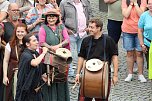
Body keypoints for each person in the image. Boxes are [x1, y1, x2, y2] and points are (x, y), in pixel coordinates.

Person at [75, 18, 118, 101]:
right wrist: (77, 73)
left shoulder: (108, 40)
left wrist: (115, 75)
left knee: (102, 98)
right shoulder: (86, 40)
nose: (89, 29)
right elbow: (81, 57)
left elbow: (114, 57)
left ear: (99, 28)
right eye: (89, 27)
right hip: (87, 74)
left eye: (92, 27)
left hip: (103, 75)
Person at [38, 10, 70, 101]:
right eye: (49, 17)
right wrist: (51, 48)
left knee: (60, 77)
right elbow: (41, 42)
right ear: (46, 19)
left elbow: (67, 40)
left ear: (56, 18)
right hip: (48, 58)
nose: (51, 19)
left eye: (53, 17)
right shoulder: (43, 28)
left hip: (60, 57)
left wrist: (58, 46)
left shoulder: (61, 27)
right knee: (50, 78)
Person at [60, 0, 92, 80]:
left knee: (83, 53)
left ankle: (82, 73)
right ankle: (71, 74)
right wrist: (65, 30)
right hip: (71, 33)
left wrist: (89, 27)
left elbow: (90, 15)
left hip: (83, 33)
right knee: (71, 54)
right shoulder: (64, 2)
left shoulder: (86, 2)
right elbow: (60, 19)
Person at [15, 33, 48, 101]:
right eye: (34, 41)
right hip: (26, 88)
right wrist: (44, 53)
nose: (37, 42)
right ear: (27, 44)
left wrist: (43, 75)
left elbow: (39, 66)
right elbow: (35, 63)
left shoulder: (35, 53)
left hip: (35, 88)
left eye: (36, 40)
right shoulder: (25, 55)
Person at [121, 0, 147, 82]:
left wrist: (135, 4)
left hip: (139, 30)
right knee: (129, 52)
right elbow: (125, 14)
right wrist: (130, 4)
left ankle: (140, 74)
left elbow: (141, 14)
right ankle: (130, 73)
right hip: (127, 30)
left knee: (139, 53)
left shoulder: (142, 1)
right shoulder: (125, 1)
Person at [2, 23, 28, 101]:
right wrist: (5, 76)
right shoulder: (10, 45)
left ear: (26, 32)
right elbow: (6, 61)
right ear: (15, 32)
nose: (20, 34)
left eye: (22, 32)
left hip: (26, 73)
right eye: (18, 31)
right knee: (12, 95)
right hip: (13, 73)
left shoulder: (30, 44)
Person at [104, 0, 123, 73]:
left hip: (130, 18)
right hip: (113, 18)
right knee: (112, 42)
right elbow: (106, 1)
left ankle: (134, 63)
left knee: (132, 42)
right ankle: (113, 64)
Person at [138, 0, 152, 78]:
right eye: (149, 4)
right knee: (150, 64)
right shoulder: (144, 16)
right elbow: (140, 30)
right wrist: (142, 44)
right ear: (147, 5)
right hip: (148, 43)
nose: (151, 6)